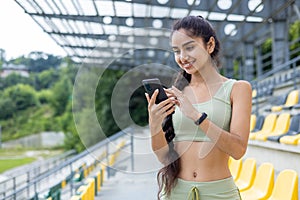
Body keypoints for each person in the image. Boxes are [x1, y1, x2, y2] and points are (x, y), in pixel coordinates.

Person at [145, 15, 252, 200]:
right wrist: (154, 123)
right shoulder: (176, 92)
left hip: (219, 193)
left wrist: (196, 115)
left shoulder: (238, 89)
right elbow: (164, 157)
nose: (182, 57)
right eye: (176, 51)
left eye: (189, 47)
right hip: (175, 193)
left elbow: (238, 150)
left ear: (209, 45)